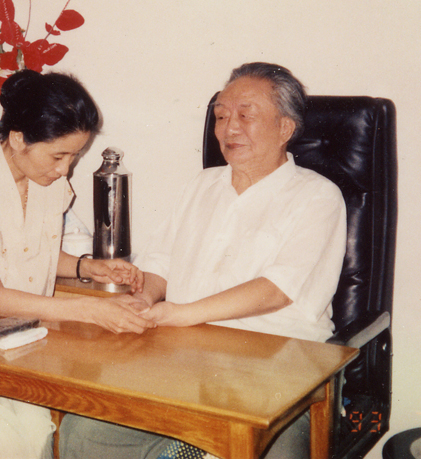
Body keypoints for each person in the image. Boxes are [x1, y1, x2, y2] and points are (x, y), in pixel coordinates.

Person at [58, 63, 348, 459]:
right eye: (222, 116)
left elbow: (276, 291)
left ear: (285, 128)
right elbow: (160, 261)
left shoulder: (317, 197)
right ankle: (188, 447)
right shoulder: (201, 184)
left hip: (277, 368)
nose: (229, 129)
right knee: (83, 432)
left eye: (245, 115)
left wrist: (179, 314)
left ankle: (191, 448)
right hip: (182, 358)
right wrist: (144, 298)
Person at [0, 70, 155, 459]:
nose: (66, 169)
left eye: (74, 155)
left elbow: (29, 253)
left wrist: (87, 268)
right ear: (18, 139)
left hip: (17, 349)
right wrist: (90, 309)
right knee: (5, 445)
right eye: (59, 155)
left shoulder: (47, 182)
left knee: (38, 437)